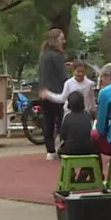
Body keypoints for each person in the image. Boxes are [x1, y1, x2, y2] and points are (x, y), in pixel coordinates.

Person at [37, 28, 69, 160]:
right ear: (55, 41)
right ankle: (63, 148)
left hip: (44, 92)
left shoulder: (43, 55)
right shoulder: (57, 55)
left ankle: (50, 150)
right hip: (57, 93)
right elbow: (62, 76)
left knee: (48, 121)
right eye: (61, 39)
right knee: (62, 121)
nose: (64, 41)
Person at [58, 91, 96, 156]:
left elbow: (63, 136)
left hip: (70, 149)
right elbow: (93, 132)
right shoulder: (88, 116)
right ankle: (90, 165)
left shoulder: (67, 117)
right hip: (88, 149)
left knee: (60, 150)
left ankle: (69, 165)